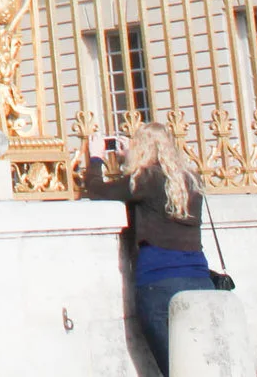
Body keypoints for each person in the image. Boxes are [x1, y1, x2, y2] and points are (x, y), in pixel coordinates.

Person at [80, 121, 217, 374]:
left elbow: (97, 190)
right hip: (200, 280)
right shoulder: (192, 180)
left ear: (140, 149)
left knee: (175, 369)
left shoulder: (144, 180)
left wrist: (97, 159)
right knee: (201, 367)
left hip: (159, 282)